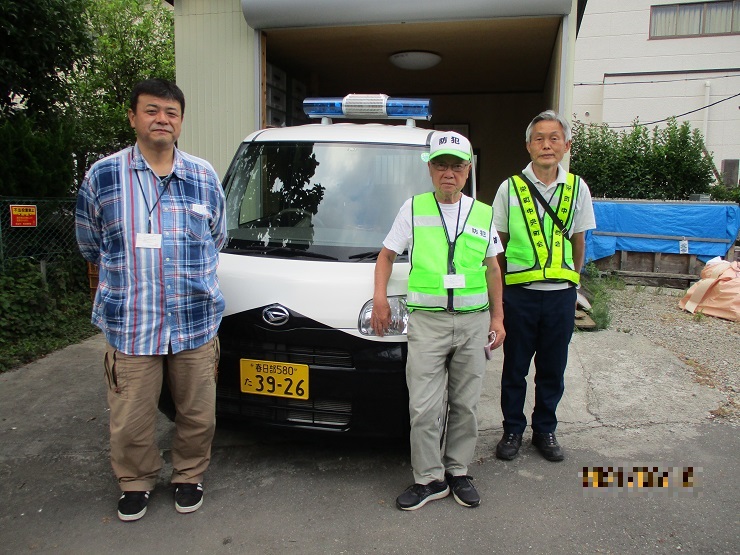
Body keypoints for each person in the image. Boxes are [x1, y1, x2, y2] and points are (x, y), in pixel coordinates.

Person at [75, 79, 226, 522]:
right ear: (133, 117)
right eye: (152, 110)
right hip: (132, 321)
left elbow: (216, 238)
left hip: (194, 321)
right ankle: (136, 481)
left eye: (171, 113)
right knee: (131, 417)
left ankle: (188, 474)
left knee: (198, 413)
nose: (163, 119)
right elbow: (90, 243)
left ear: (181, 121)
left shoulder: (203, 175)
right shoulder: (103, 176)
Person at [372, 131, 505, 510]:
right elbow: (385, 256)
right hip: (427, 324)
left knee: (465, 405)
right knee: (425, 407)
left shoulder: (482, 213)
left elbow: (493, 269)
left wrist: (498, 317)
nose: (449, 172)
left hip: (473, 322)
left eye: (457, 165)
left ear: (468, 170)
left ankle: (458, 471)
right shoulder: (412, 209)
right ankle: (429, 479)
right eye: (441, 164)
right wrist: (380, 298)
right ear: (430, 169)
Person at [492, 110, 595, 462]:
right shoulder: (509, 188)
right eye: (539, 138)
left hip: (560, 297)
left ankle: (545, 430)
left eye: (554, 138)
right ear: (528, 145)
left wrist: (572, 281)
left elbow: (579, 242)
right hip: (519, 295)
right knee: (515, 368)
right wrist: (502, 296)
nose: (546, 145)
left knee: (553, 368)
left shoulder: (579, 187)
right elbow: (498, 245)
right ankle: (511, 430)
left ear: (566, 145)